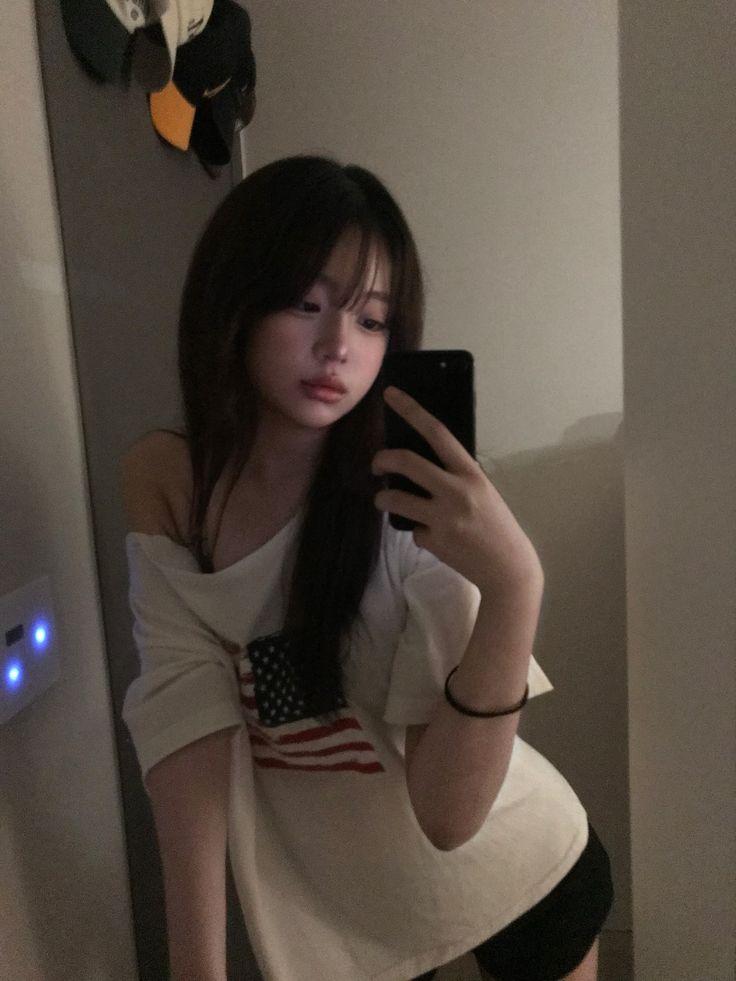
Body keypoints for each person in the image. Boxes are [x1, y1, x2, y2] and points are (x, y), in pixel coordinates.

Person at [121, 155, 613, 981]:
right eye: (306, 304)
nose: (339, 347)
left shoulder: (411, 509)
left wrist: (515, 585)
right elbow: (185, 721)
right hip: (353, 923)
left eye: (373, 319)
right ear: (234, 298)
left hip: (521, 871)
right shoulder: (167, 480)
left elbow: (450, 816)